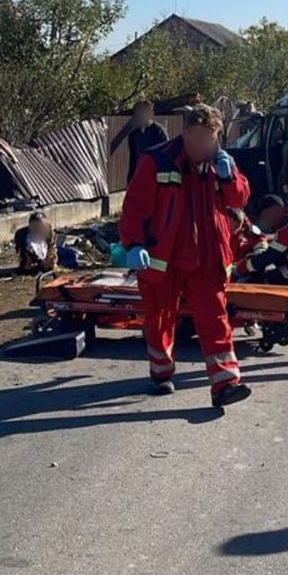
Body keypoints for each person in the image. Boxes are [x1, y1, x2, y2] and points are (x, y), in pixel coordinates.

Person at [120, 104, 252, 406]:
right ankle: (161, 373)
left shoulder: (221, 162)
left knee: (215, 319)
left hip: (207, 257)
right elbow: (134, 208)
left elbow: (240, 198)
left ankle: (225, 384)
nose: (207, 145)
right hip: (163, 258)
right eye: (202, 138)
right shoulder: (157, 160)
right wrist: (134, 244)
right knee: (160, 318)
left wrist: (229, 177)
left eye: (212, 138)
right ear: (187, 133)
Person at [127, 101, 169, 182]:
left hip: (156, 176)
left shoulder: (159, 132)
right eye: (139, 112)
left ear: (151, 113)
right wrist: (130, 181)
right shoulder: (133, 135)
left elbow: (167, 156)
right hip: (140, 175)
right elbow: (133, 159)